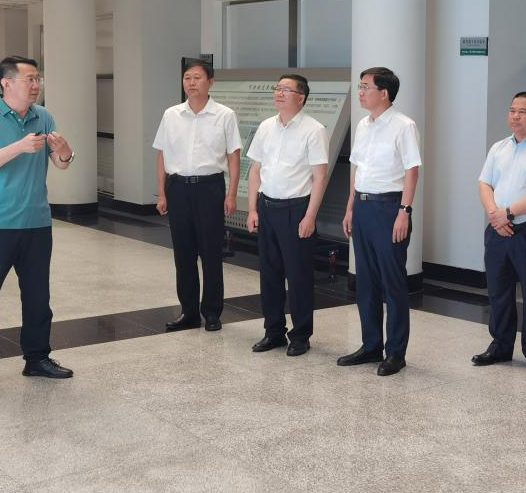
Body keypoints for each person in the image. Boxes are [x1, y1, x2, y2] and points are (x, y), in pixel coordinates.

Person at [0, 57, 76, 397]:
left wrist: (66, 152)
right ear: (6, 83)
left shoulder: (44, 116)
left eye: (38, 78)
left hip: (36, 223)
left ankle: (37, 358)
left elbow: (60, 164)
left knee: (39, 298)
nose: (36, 85)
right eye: (30, 79)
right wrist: (20, 146)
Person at [338, 67, 421, 377]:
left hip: (389, 208)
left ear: (384, 93)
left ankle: (396, 353)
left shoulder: (404, 126)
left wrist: (404, 211)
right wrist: (350, 208)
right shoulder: (363, 124)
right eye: (360, 86)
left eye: (365, 87)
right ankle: (371, 345)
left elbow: (412, 171)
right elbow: (357, 169)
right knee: (366, 281)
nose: (360, 92)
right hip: (362, 206)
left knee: (392, 282)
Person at [472, 92, 526, 376]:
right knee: (498, 291)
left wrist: (508, 213)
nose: (515, 116)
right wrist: (495, 214)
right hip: (497, 230)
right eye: (512, 110)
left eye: (522, 112)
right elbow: (484, 183)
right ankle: (500, 346)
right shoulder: (499, 148)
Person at [152, 60, 241, 333]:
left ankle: (212, 312)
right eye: (187, 78)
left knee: (211, 252)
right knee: (183, 254)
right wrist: (162, 193)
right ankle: (188, 312)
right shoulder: (171, 114)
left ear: (210, 82)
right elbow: (162, 154)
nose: (191, 83)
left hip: (209, 188)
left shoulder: (224, 115)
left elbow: (233, 156)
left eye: (197, 78)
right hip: (178, 187)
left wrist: (232, 193)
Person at [245, 74, 330, 357]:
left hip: (297, 210)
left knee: (298, 276)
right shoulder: (266, 127)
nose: (279, 93)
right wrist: (253, 208)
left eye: (286, 90)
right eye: (277, 89)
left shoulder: (313, 130)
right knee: (269, 274)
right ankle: (273, 331)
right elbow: (255, 170)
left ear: (301, 97)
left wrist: (310, 216)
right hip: (267, 207)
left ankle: (301, 335)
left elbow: (320, 177)